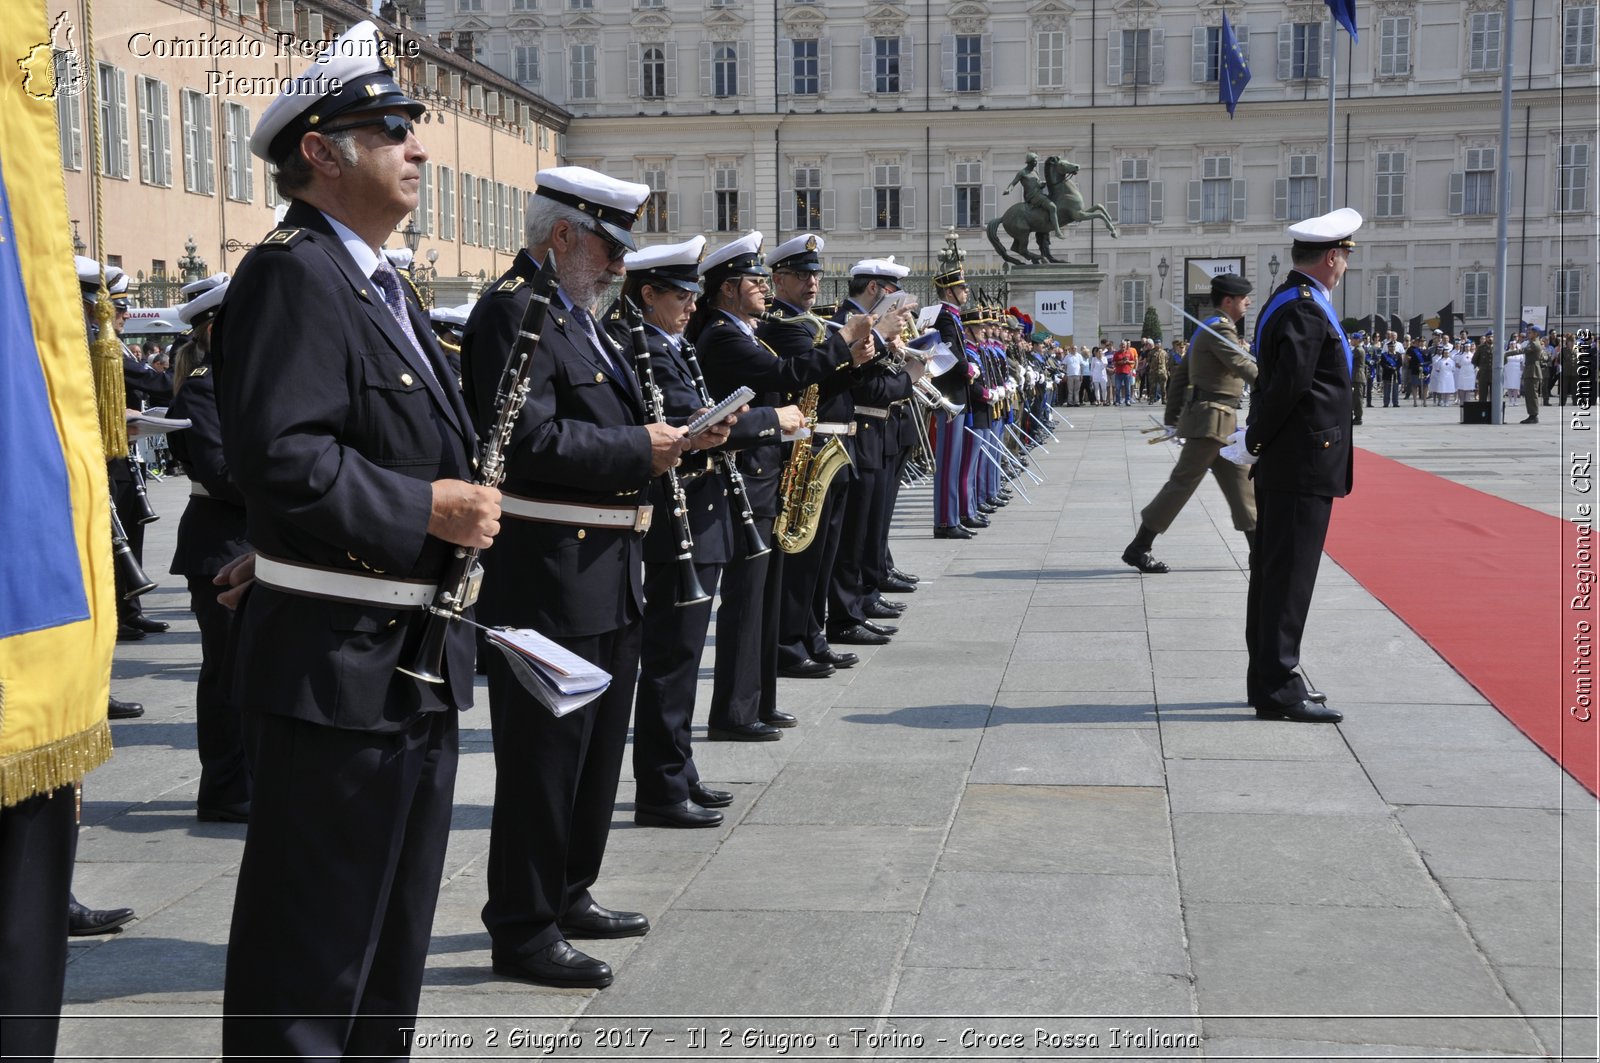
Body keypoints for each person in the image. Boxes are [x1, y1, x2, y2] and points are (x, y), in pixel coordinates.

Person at [214, 23, 502, 1057]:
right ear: (322, 153)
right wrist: (426, 508)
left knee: (387, 945)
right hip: (336, 670)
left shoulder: (380, 280)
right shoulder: (293, 274)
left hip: (405, 662)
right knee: (312, 954)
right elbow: (283, 457)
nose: (417, 148)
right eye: (392, 129)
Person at [462, 166, 724, 990]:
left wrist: (670, 440)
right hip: (548, 574)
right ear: (563, 235)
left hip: (609, 571)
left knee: (593, 754)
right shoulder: (515, 312)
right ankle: (524, 924)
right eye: (610, 246)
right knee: (544, 764)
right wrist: (639, 449)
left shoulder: (580, 318)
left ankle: (570, 892)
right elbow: (527, 442)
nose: (619, 265)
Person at [616, 236, 765, 827]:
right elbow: (671, 419)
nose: (692, 304)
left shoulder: (672, 344)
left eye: (694, 294)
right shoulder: (643, 346)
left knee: (680, 657)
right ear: (648, 294)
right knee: (672, 659)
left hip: (700, 514)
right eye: (681, 294)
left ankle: (681, 769)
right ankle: (661, 786)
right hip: (676, 518)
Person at [1243, 207, 1362, 725]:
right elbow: (1289, 387)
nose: (1345, 267)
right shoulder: (1305, 309)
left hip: (1295, 460)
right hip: (1301, 461)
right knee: (1287, 578)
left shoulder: (1293, 300)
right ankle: (1277, 686)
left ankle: (1271, 675)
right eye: (1345, 257)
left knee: (1275, 575)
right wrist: (1254, 440)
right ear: (1332, 257)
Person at [688, 232, 811, 732]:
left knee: (762, 599)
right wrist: (847, 347)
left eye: (763, 279)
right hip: (743, 477)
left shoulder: (745, 330)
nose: (763, 287)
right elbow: (786, 373)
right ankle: (735, 710)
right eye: (754, 280)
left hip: (763, 476)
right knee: (746, 601)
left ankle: (757, 701)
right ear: (727, 289)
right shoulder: (721, 334)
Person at [757, 235, 883, 664]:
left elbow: (831, 380)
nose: (812, 282)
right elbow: (804, 376)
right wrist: (847, 350)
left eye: (815, 274)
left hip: (830, 443)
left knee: (824, 556)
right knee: (802, 555)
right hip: (807, 445)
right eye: (801, 274)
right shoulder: (782, 326)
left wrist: (857, 362)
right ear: (778, 279)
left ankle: (811, 636)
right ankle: (790, 642)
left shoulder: (813, 326)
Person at [165, 274, 252, 824]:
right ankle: (225, 789)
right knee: (226, 675)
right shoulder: (203, 384)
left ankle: (248, 779)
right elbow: (221, 473)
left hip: (252, 537)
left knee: (249, 670)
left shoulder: (242, 376)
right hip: (221, 542)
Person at [1123, 274, 1258, 574]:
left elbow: (1182, 377)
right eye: (1243, 297)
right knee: (1182, 484)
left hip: (1217, 421)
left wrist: (1173, 418)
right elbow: (1243, 365)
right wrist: (1278, 384)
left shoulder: (1205, 330)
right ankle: (1139, 546)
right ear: (1228, 301)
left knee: (1241, 485)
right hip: (1212, 421)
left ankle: (1258, 552)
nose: (1248, 301)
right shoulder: (1221, 329)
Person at [930, 263, 974, 538]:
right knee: (947, 462)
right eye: (961, 288)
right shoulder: (945, 317)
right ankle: (945, 522)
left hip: (957, 394)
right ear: (949, 291)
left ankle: (952, 517)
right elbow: (944, 349)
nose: (965, 291)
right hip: (949, 394)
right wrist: (965, 368)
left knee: (954, 460)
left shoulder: (953, 317)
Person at [1003, 152, 1063, 237]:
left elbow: (1037, 184)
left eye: (1036, 161)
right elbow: (1013, 183)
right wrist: (1008, 190)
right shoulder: (1022, 173)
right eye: (1034, 161)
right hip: (1032, 197)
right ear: (1030, 162)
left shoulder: (1035, 172)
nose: (1036, 162)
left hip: (1039, 194)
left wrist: (1041, 184)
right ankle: (1057, 231)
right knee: (1052, 207)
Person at [1521, 329, 1547, 423]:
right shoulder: (1532, 343)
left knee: (1532, 395)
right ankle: (1531, 414)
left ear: (1536, 334)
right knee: (1529, 394)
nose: (1528, 334)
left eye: (1530, 333)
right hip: (1530, 371)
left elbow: (1523, 350)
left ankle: (1534, 415)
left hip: (1533, 371)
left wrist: (1507, 353)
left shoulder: (1535, 344)